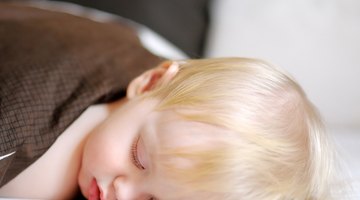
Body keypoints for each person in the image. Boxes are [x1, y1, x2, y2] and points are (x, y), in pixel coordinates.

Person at [0, 3, 337, 200]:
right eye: (139, 158)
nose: (124, 193)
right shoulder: (35, 146)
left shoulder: (158, 118)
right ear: (150, 82)